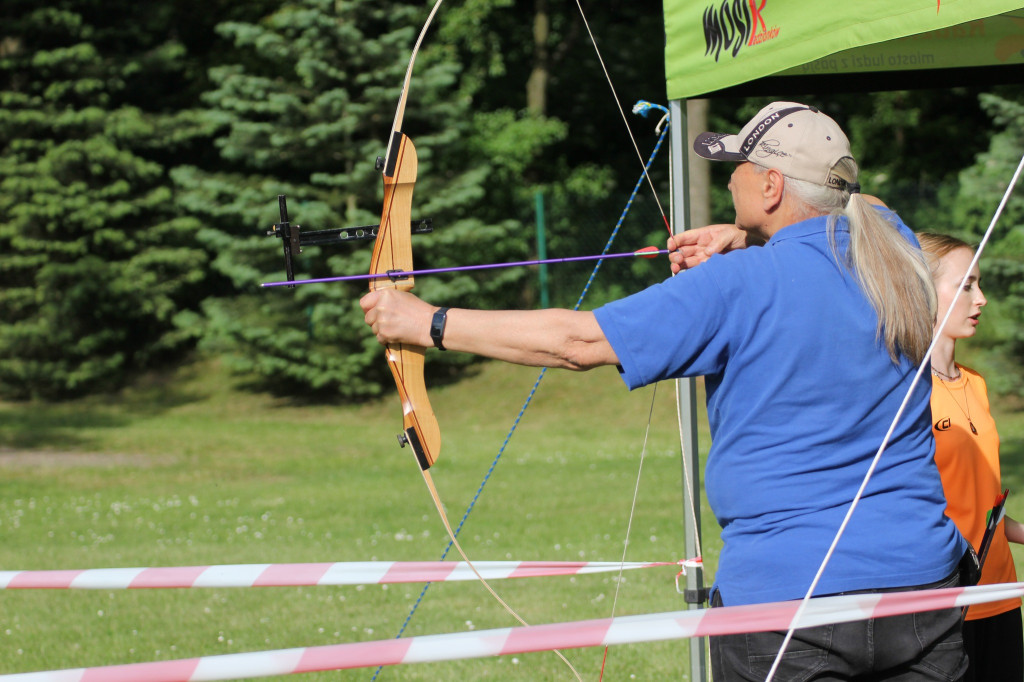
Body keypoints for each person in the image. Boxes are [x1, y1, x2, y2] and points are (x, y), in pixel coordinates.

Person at [362, 101, 969, 680]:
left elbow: (578, 342)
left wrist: (427, 323)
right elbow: (861, 205)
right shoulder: (897, 254)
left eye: (739, 167)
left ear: (772, 186)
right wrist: (746, 234)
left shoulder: (738, 283)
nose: (729, 180)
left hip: (787, 601)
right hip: (923, 587)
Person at [919, 232, 1024, 682]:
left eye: (979, 284)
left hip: (1001, 596)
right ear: (922, 290)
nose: (981, 299)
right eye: (966, 285)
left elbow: (981, 506)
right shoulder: (905, 394)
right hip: (943, 604)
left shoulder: (976, 383)